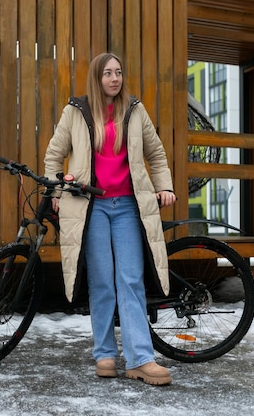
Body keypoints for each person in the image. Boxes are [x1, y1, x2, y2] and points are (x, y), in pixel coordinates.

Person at [44, 52, 176, 386]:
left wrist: (165, 187)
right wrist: (58, 192)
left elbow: (156, 154)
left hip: (129, 206)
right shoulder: (76, 111)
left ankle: (140, 359)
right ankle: (104, 354)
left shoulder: (135, 110)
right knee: (102, 283)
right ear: (96, 77)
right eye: (107, 73)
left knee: (130, 280)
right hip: (92, 207)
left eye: (118, 72)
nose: (114, 78)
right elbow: (53, 155)